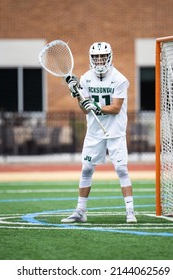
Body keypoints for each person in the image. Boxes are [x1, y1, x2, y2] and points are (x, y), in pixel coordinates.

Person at [61, 42, 137, 223]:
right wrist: (77, 95)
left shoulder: (119, 79)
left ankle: (130, 211)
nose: (100, 60)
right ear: (91, 58)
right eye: (96, 57)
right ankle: (80, 211)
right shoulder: (86, 78)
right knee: (86, 169)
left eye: (103, 56)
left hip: (115, 131)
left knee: (121, 169)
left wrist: (96, 106)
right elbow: (85, 109)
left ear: (109, 57)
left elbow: (116, 107)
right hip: (95, 132)